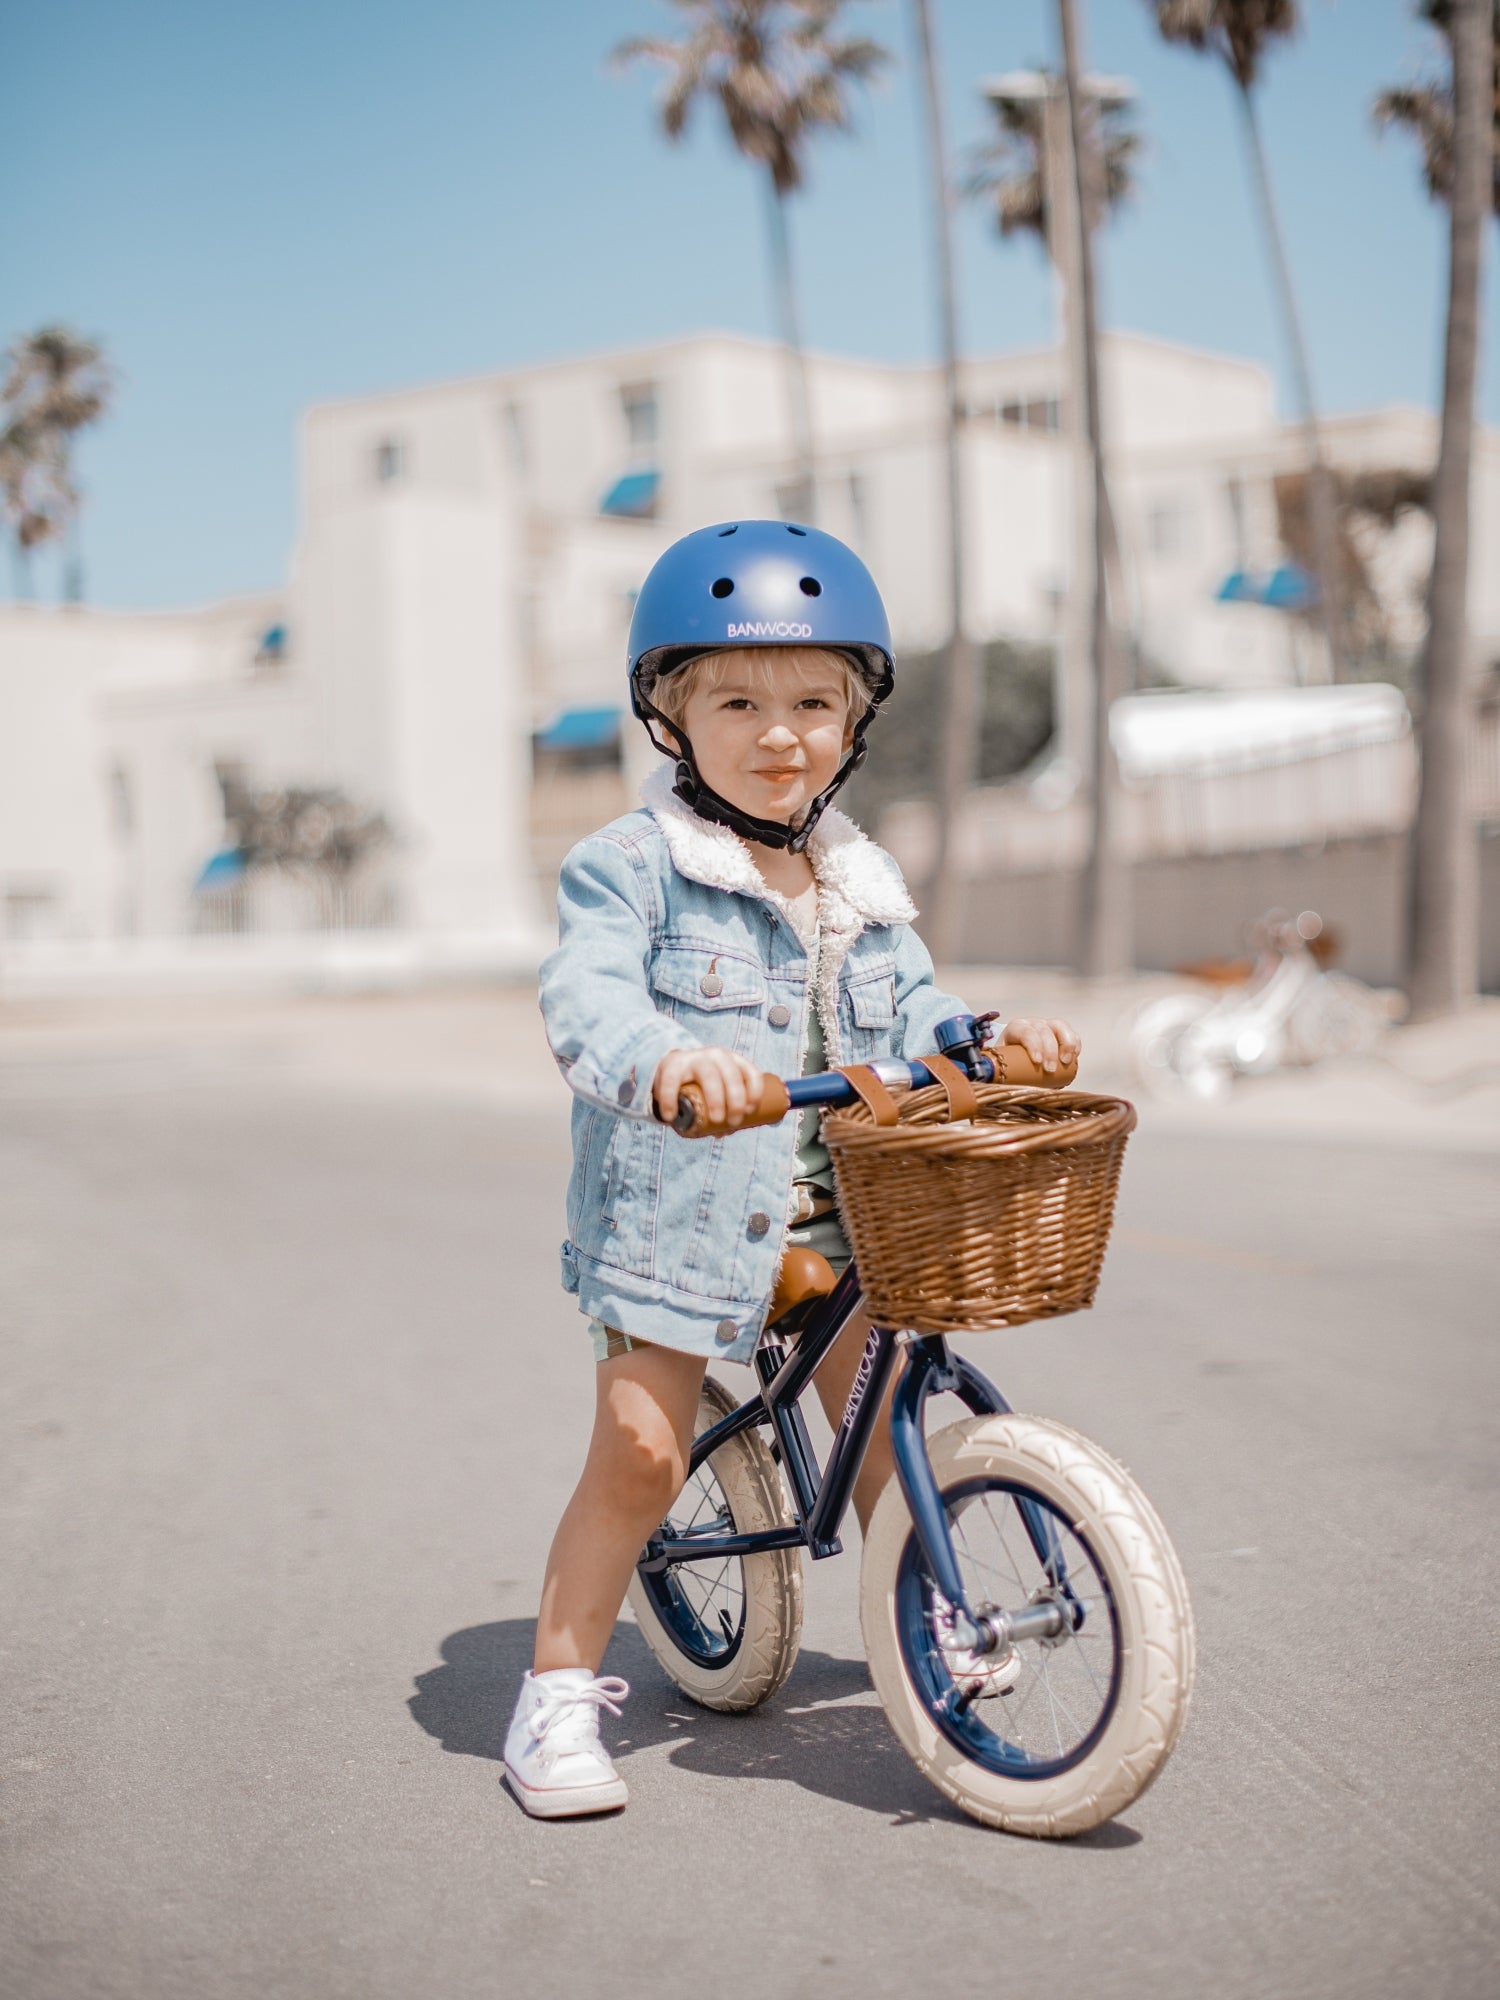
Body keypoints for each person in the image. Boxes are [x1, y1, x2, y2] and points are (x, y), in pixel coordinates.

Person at [504, 521, 1081, 1818]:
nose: (781, 733)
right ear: (672, 713)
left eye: (815, 701)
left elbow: (918, 1006)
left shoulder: (858, 880)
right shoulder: (633, 868)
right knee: (644, 1457)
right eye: (740, 701)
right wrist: (663, 1063)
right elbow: (583, 998)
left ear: (856, 718)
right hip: (674, 1218)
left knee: (882, 1418)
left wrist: (987, 1042)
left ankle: (924, 1621)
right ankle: (550, 1699)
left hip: (836, 1212)